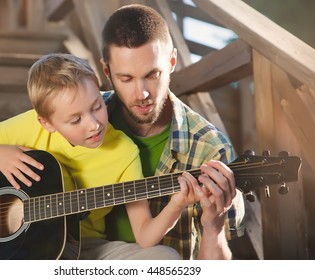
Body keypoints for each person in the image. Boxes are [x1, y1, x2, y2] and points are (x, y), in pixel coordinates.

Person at [0, 53, 199, 260]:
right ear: (46, 122)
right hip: (16, 253)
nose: (93, 125)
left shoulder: (124, 151)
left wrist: (176, 204)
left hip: (85, 248)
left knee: (165, 258)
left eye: (97, 107)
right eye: (75, 119)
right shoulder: (29, 126)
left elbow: (145, 235)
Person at [100, 4, 245, 260]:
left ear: (171, 62)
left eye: (152, 74)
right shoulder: (79, 118)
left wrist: (214, 228)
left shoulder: (211, 149)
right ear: (106, 71)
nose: (142, 93)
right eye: (126, 79)